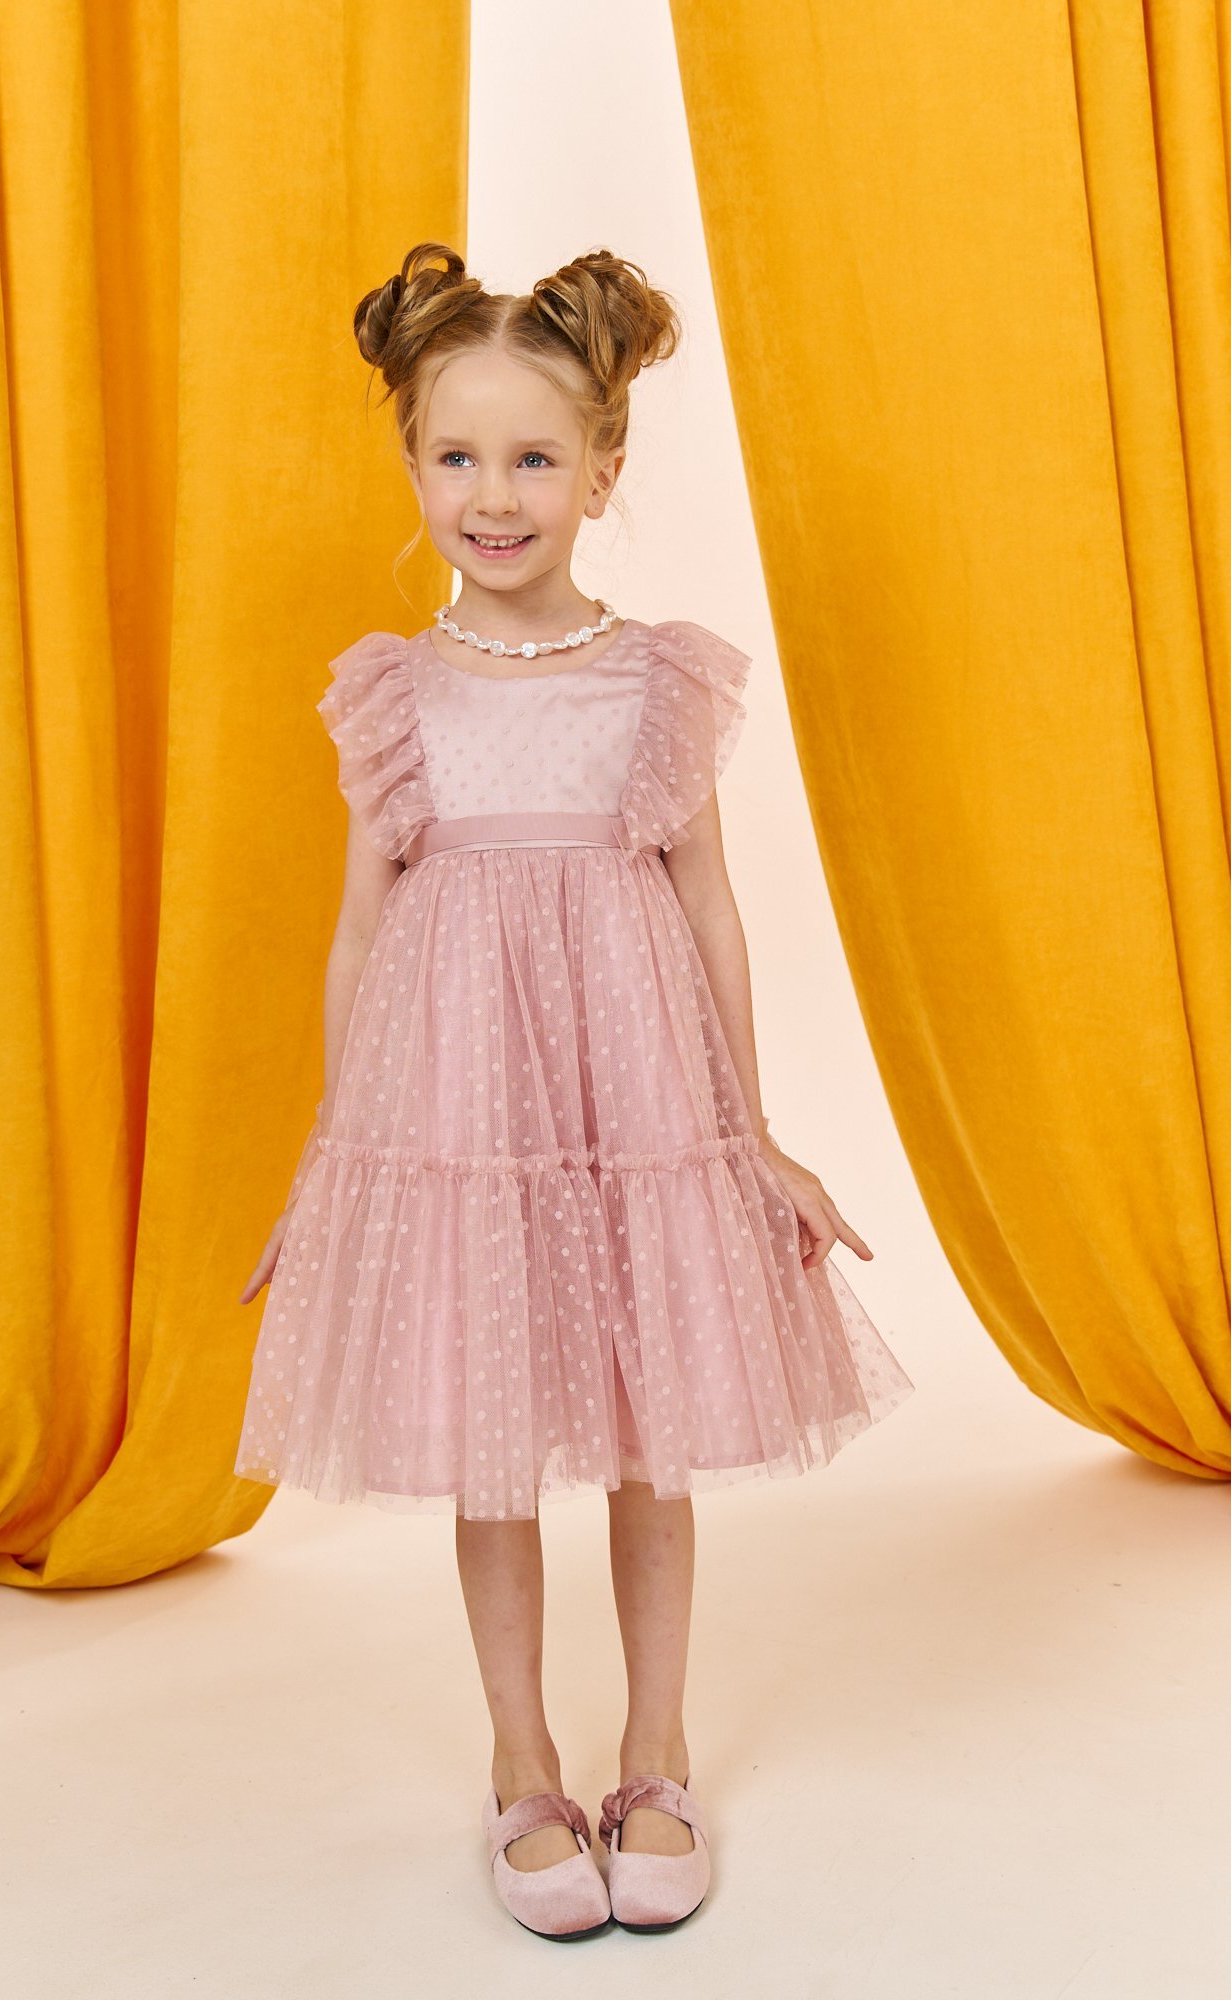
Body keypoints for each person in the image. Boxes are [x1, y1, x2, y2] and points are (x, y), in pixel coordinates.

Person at [233, 241, 914, 1940]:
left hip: (632, 1106)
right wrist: (335, 1157)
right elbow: (362, 929)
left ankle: (657, 1750)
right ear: (412, 467)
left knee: (642, 1430)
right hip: (461, 1120)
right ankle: (522, 1759)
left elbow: (710, 909)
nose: (494, 495)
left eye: (534, 457)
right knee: (492, 1441)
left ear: (603, 470)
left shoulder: (654, 678)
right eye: (457, 457)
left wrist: (749, 1135)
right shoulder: (396, 694)